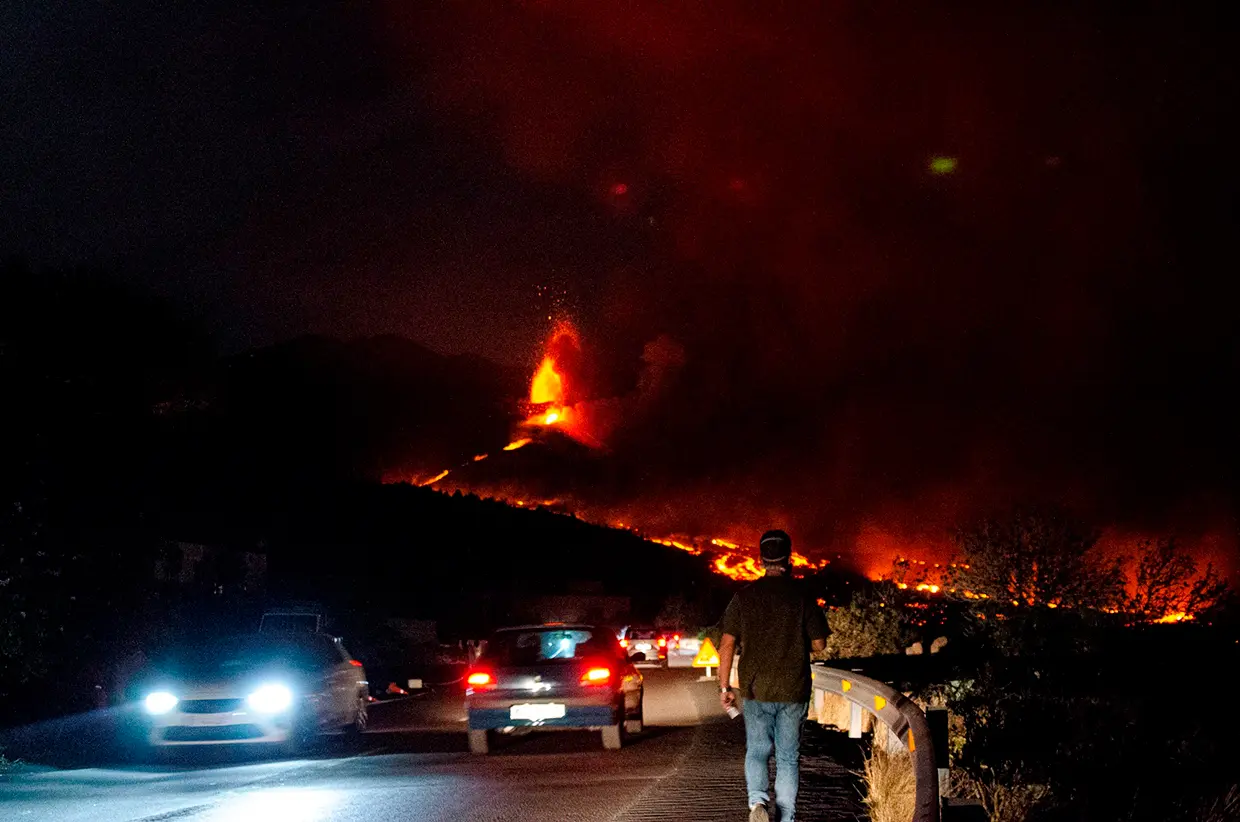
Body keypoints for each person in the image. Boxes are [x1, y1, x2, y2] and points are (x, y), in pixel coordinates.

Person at [718, 530, 829, 822]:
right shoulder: (802, 596)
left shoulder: (743, 597)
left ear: (761, 559)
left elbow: (727, 643)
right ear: (789, 558)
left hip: (756, 690)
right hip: (793, 690)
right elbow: (820, 644)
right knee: (788, 757)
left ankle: (757, 802)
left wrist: (724, 686)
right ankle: (787, 817)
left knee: (756, 750)